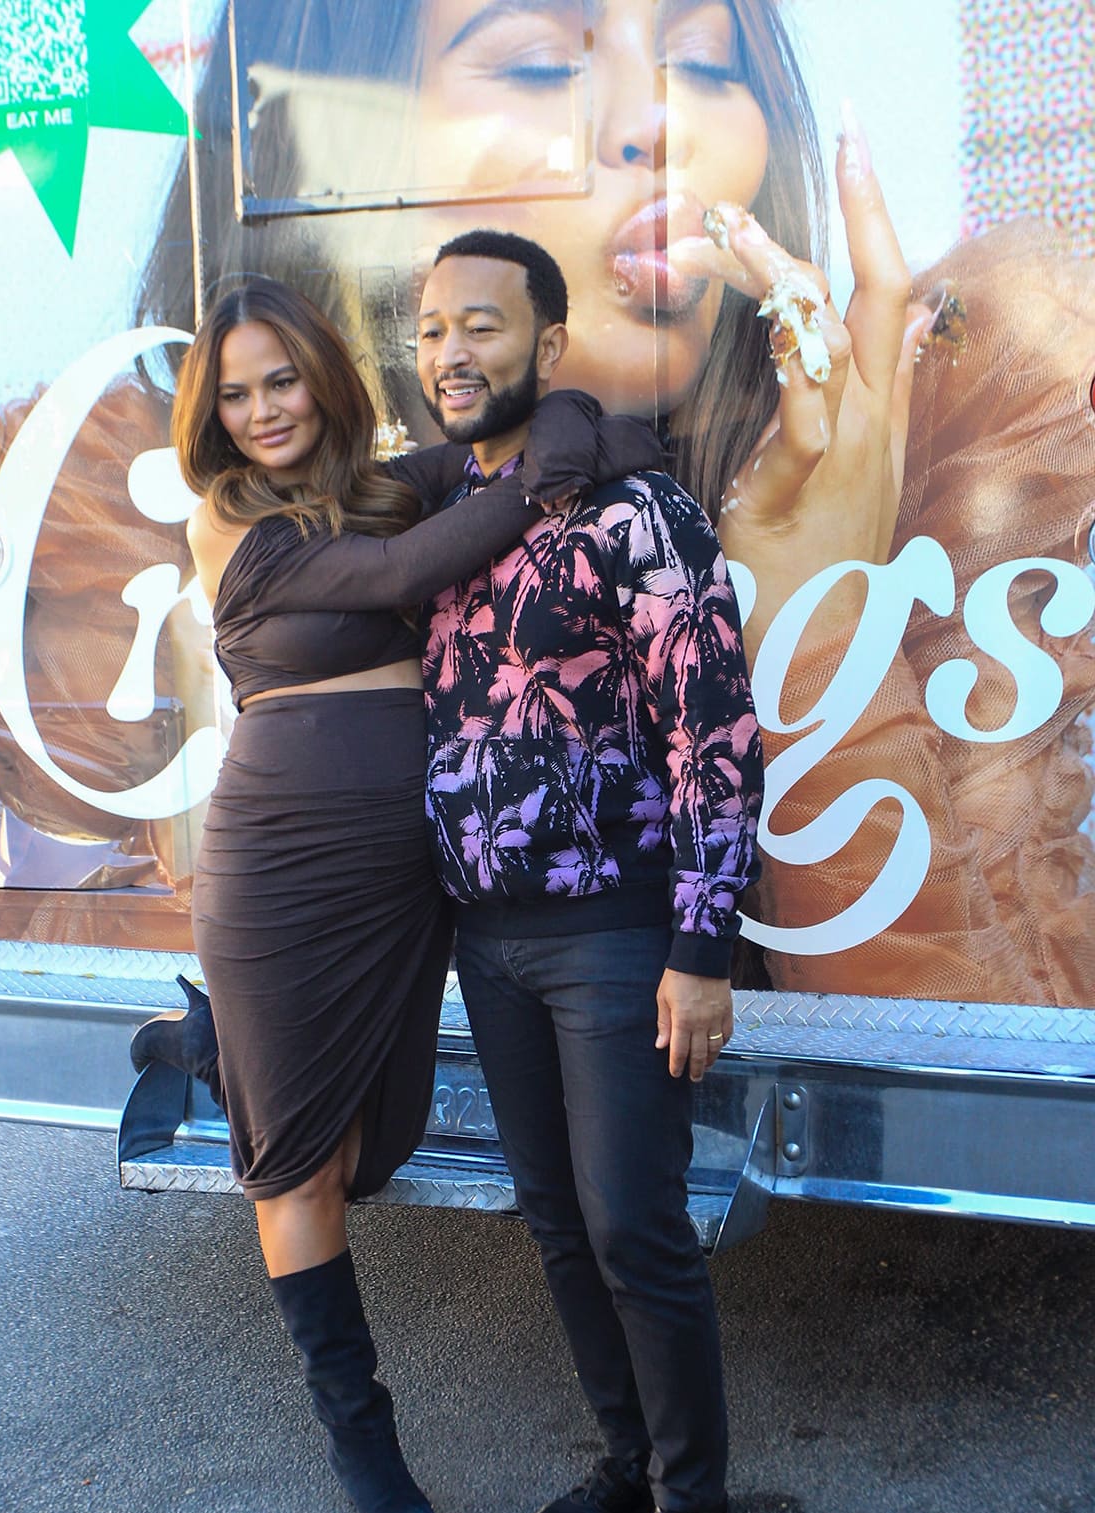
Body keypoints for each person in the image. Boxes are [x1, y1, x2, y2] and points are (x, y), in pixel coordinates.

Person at [127, 0, 1094, 1006]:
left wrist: (817, 630)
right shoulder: (162, 496)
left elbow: (975, 1101)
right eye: (542, 67)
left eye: (701, 60)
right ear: (335, 159)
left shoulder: (941, 438)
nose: (657, 119)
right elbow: (139, 972)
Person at [137, 230, 764, 1513]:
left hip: (544, 914)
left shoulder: (553, 497)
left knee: (613, 1218)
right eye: (236, 393)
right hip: (395, 901)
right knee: (484, 1201)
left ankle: (694, 1512)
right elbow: (434, 548)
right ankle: (492, 1450)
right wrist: (548, 446)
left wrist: (702, 944)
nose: (265, 408)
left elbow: (706, 714)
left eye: (285, 378)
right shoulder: (303, 527)